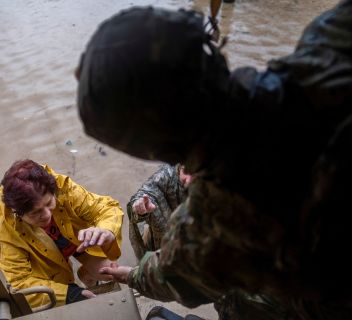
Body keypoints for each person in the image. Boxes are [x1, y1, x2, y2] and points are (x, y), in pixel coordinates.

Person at [76, 2, 352, 319]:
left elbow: (169, 277)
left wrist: (123, 273)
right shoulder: (329, 42)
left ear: (153, 150)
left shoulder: (219, 226)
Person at [0, 159, 123, 308]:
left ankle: (88, 277)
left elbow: (106, 207)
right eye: (36, 213)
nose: (47, 215)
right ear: (18, 213)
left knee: (109, 271)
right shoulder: (3, 228)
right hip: (46, 263)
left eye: (49, 203)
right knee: (62, 299)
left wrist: (106, 230)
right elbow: (17, 282)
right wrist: (69, 294)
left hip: (74, 239)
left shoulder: (61, 186)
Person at [128, 164, 194, 260]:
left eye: (195, 175)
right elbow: (147, 192)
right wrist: (140, 206)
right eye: (186, 171)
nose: (188, 180)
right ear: (180, 166)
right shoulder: (167, 175)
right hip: (162, 238)